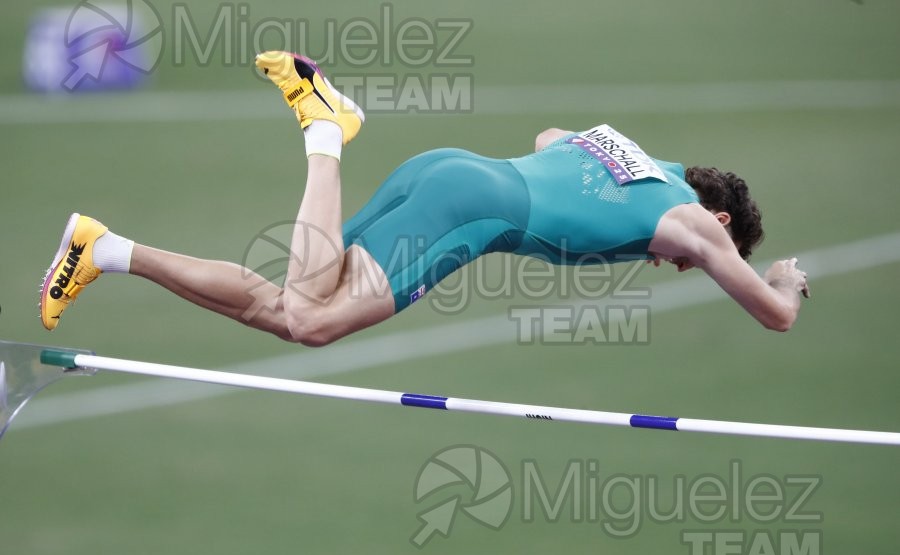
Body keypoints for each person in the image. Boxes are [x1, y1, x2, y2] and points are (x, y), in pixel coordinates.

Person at [39, 51, 809, 345]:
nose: (693, 266)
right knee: (312, 322)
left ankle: (102, 248)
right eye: (722, 252)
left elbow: (549, 137)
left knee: (284, 308)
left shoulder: (636, 162)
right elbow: (774, 315)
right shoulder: (689, 223)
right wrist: (784, 281)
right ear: (719, 220)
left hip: (446, 170)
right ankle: (325, 128)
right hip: (464, 214)